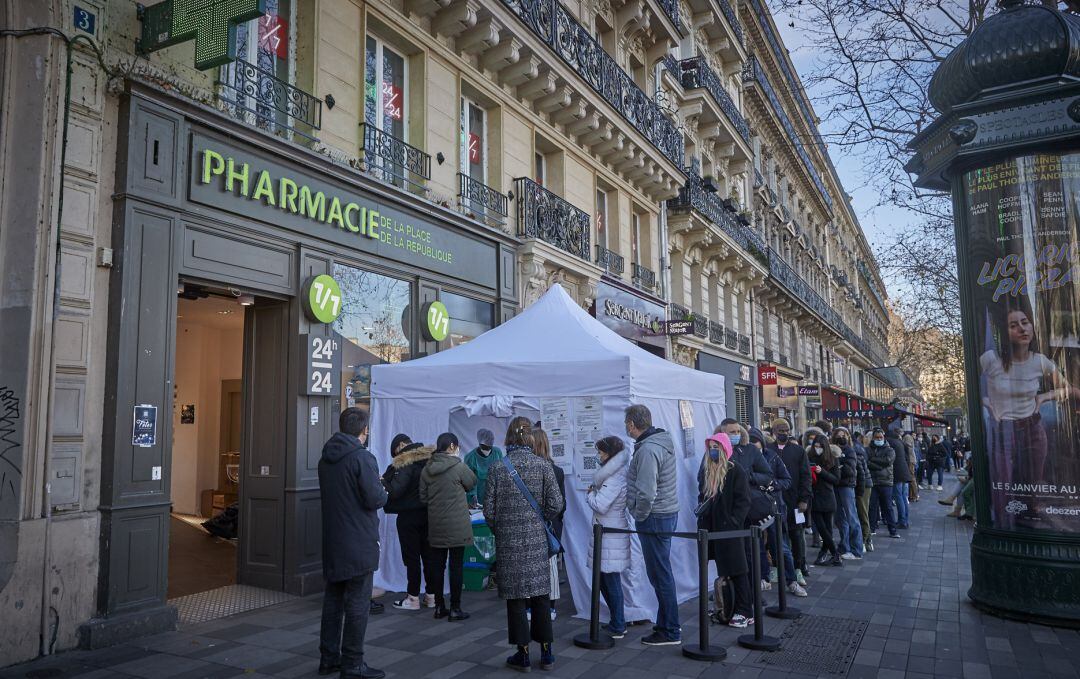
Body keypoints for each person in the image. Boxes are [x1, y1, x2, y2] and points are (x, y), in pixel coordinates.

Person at [484, 417, 564, 672]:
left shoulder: (498, 468)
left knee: (516, 599)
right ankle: (548, 653)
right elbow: (556, 503)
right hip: (537, 540)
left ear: (508, 437)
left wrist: (502, 529)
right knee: (541, 595)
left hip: (509, 543)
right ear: (530, 437)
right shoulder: (543, 466)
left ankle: (523, 654)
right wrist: (539, 520)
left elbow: (489, 510)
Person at [318, 408, 388, 679]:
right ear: (364, 430)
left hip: (334, 539)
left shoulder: (326, 458)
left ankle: (329, 658)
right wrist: (383, 490)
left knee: (333, 601)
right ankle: (353, 663)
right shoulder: (362, 458)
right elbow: (375, 499)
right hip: (359, 540)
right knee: (358, 604)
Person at [625, 404, 681, 646]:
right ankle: (666, 625)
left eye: (626, 422)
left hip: (654, 516)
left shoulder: (648, 449)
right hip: (664, 513)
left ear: (631, 424)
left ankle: (670, 630)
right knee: (661, 574)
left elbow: (646, 491)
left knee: (660, 575)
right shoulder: (658, 442)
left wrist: (639, 514)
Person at [697, 432, 754, 628]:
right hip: (712, 528)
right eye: (710, 447)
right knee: (725, 569)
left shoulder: (735, 470)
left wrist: (733, 522)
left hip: (730, 530)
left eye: (716, 447)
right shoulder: (708, 470)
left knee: (738, 570)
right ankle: (728, 607)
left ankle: (745, 610)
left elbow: (743, 501)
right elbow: (702, 494)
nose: (713, 451)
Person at [419, 432, 476, 622]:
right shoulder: (458, 466)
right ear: (452, 446)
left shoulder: (427, 469)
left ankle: (439, 607)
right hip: (457, 526)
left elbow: (423, 497)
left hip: (435, 525)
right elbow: (472, 482)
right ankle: (455, 608)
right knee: (456, 567)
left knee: (437, 566)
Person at [382, 439, 438, 611]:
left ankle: (413, 598)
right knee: (429, 557)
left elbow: (396, 491)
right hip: (429, 515)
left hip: (409, 518)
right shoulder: (430, 460)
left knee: (412, 558)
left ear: (400, 446)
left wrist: (382, 481)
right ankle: (431, 597)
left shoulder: (406, 463)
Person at [586, 436, 630, 638]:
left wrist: (590, 495)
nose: (598, 456)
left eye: (601, 452)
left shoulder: (613, 478)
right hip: (609, 533)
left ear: (610, 454)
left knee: (610, 581)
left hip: (609, 534)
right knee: (606, 580)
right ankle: (616, 621)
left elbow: (601, 505)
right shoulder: (615, 475)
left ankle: (618, 624)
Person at [767, 418, 812, 586]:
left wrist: (804, 499)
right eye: (780, 429)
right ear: (774, 431)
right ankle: (779, 568)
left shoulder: (798, 451)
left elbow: (806, 477)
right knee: (776, 535)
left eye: (786, 429)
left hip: (796, 503)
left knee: (797, 534)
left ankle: (799, 568)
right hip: (774, 503)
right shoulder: (768, 450)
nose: (784, 432)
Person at [531, 427, 565, 621]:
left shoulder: (524, 470)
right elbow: (562, 504)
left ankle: (530, 607)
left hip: (534, 526)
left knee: (530, 568)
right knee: (551, 569)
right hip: (551, 526)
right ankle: (550, 608)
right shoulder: (557, 470)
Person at [808, 435, 843, 567]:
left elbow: (836, 480)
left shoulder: (832, 460)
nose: (817, 449)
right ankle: (835, 554)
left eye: (820, 447)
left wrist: (822, 472)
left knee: (827, 528)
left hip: (828, 497)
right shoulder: (809, 457)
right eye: (815, 446)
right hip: (815, 497)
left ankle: (826, 554)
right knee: (822, 528)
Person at [832, 428, 863, 560]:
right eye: (838, 435)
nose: (841, 437)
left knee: (852, 517)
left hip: (846, 486)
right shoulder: (831, 449)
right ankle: (844, 546)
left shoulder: (850, 450)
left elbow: (850, 470)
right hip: (835, 485)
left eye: (843, 435)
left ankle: (856, 550)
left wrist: (838, 464)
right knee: (840, 519)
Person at [866, 428, 899, 539]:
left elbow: (888, 461)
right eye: (877, 437)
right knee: (872, 506)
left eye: (881, 437)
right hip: (873, 481)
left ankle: (892, 530)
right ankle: (871, 528)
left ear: (884, 437)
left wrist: (873, 461)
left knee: (888, 507)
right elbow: (867, 462)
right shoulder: (868, 449)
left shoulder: (890, 450)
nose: (879, 439)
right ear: (873, 438)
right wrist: (879, 464)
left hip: (886, 481)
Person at [464, 428, 504, 507]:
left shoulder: (497, 453)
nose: (487, 450)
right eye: (485, 447)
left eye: (490, 447)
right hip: (478, 497)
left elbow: (501, 474)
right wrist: (472, 495)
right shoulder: (470, 457)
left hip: (495, 495)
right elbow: (469, 481)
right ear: (479, 444)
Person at [885, 425, 912, 529]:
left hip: (897, 472)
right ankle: (905, 520)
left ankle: (902, 521)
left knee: (898, 497)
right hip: (905, 471)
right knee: (903, 497)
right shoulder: (900, 442)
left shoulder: (890, 443)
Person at [852, 431, 873, 553]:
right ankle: (866, 539)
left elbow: (861, 472)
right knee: (862, 513)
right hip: (861, 484)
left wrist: (859, 489)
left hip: (863, 485)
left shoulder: (856, 449)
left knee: (862, 513)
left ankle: (865, 540)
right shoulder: (858, 448)